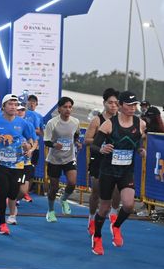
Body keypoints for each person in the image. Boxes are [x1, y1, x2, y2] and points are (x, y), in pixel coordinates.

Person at [89, 91, 146, 255]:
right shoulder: (109, 124)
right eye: (129, 105)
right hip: (108, 171)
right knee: (104, 208)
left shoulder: (140, 123)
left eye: (134, 105)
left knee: (128, 204)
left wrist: (141, 150)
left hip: (126, 171)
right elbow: (94, 146)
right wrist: (102, 148)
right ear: (120, 106)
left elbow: (138, 141)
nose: (132, 108)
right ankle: (97, 237)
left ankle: (116, 226)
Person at [0, 94, 36, 234]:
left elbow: (32, 141)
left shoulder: (23, 123)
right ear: (3, 106)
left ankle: (11, 210)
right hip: (1, 164)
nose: (13, 107)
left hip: (18, 165)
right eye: (10, 104)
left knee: (14, 193)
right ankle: (2, 223)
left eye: (15, 104)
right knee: (3, 190)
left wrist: (29, 147)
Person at [84, 88, 120, 234]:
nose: (113, 106)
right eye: (110, 102)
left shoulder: (122, 120)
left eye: (116, 103)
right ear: (104, 103)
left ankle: (114, 215)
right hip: (98, 159)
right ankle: (92, 218)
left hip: (115, 161)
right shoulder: (97, 120)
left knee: (117, 189)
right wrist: (101, 144)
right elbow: (87, 140)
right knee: (96, 192)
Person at [44, 97, 82, 222]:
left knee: (72, 182)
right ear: (59, 109)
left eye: (70, 107)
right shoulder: (52, 123)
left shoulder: (75, 122)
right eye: (65, 107)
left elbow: (76, 134)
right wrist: (55, 145)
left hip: (69, 158)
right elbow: (46, 141)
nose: (68, 109)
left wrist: (77, 142)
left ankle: (64, 199)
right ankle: (50, 210)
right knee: (54, 187)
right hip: (54, 159)